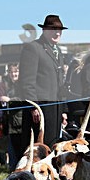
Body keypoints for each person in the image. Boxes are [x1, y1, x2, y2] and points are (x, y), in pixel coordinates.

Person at [18, 14, 68, 147]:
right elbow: (26, 81)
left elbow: (60, 83)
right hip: (40, 109)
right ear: (44, 30)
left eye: (59, 30)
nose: (57, 33)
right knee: (38, 148)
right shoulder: (33, 48)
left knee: (52, 146)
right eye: (53, 29)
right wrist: (33, 106)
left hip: (55, 108)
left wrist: (63, 109)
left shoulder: (58, 52)